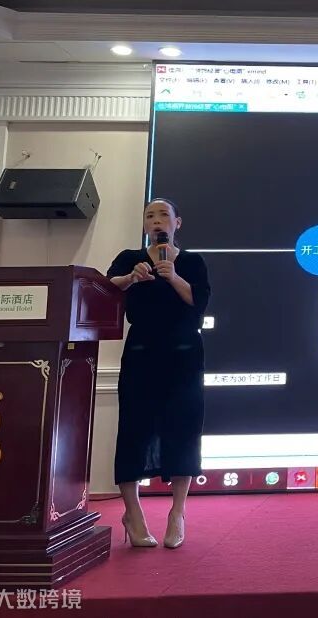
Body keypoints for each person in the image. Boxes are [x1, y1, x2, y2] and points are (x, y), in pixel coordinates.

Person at [107, 198, 210, 549]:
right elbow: (106, 288)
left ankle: (177, 512)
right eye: (149, 215)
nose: (156, 220)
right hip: (142, 353)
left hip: (184, 355)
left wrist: (174, 277)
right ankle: (133, 513)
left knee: (183, 427)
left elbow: (200, 302)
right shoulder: (129, 258)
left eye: (163, 215)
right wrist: (129, 278)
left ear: (177, 223)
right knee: (134, 429)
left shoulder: (192, 262)